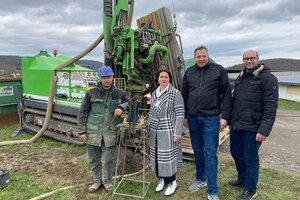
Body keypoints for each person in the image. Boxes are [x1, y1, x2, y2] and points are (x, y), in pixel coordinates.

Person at [181, 46, 232, 200]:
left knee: (210, 153)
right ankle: (200, 179)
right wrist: (184, 115)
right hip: (193, 118)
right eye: (198, 56)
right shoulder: (189, 72)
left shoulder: (218, 70)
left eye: (204, 56)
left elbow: (227, 94)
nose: (201, 59)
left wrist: (225, 116)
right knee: (197, 150)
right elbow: (184, 95)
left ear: (208, 56)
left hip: (211, 117)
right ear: (194, 57)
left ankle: (212, 190)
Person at [229, 50, 278, 200]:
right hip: (237, 126)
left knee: (250, 158)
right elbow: (235, 101)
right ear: (243, 60)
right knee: (236, 153)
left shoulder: (268, 79)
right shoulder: (241, 77)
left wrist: (264, 130)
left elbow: (271, 107)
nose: (249, 61)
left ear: (258, 59)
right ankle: (243, 180)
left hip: (253, 127)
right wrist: (230, 121)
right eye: (246, 59)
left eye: (252, 58)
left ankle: (251, 189)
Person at [77, 65, 130, 193]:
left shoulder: (119, 93)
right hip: (92, 132)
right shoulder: (91, 93)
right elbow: (82, 112)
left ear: (112, 78)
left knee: (107, 160)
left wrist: (122, 107)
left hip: (109, 133)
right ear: (100, 78)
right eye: (104, 77)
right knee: (94, 159)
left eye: (108, 77)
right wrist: (82, 131)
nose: (106, 80)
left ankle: (107, 182)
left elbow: (130, 101)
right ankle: (96, 182)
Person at [148, 68, 185, 196]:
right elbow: (151, 112)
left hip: (169, 130)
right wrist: (147, 126)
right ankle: (162, 180)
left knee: (168, 158)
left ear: (169, 79)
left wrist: (177, 133)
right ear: (158, 79)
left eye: (166, 77)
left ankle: (172, 182)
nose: (164, 79)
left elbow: (180, 114)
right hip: (155, 131)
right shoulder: (154, 94)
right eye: (161, 77)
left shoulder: (175, 93)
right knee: (157, 156)